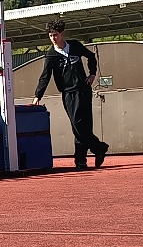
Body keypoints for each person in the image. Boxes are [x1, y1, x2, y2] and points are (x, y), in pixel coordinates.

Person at [31, 19, 109, 169]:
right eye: (50, 35)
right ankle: (99, 148)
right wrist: (37, 96)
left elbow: (91, 56)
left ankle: (81, 161)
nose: (53, 38)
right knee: (77, 124)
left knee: (85, 125)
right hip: (68, 93)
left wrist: (92, 73)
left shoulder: (75, 46)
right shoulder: (51, 56)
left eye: (55, 35)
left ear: (62, 34)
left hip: (84, 89)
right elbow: (45, 77)